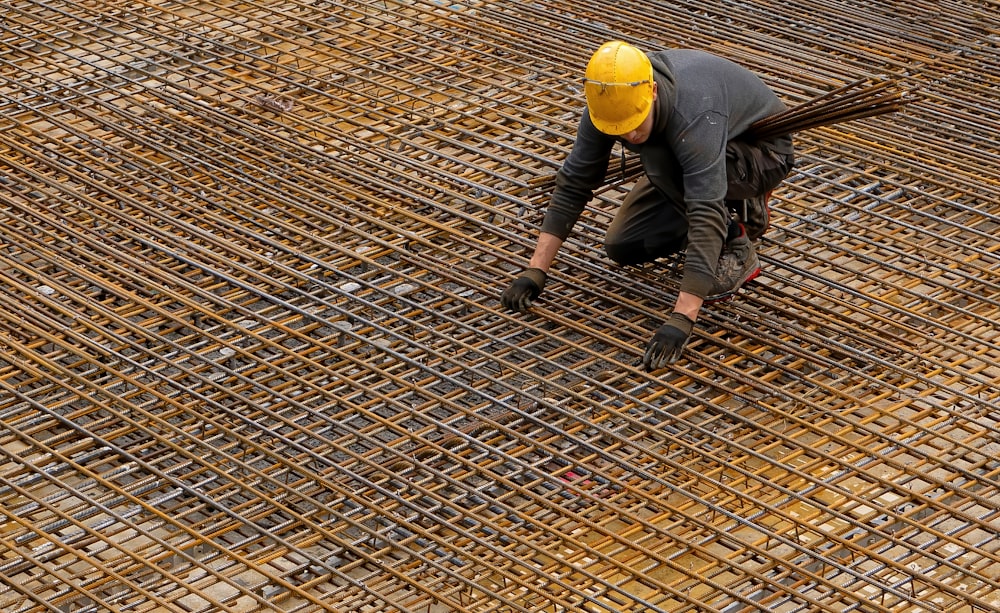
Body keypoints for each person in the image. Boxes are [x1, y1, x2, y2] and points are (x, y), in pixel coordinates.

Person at [501, 40, 795, 371]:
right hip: (686, 157)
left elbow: (704, 210)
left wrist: (682, 318)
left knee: (659, 157)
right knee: (623, 246)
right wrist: (535, 270)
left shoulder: (693, 113)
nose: (628, 136)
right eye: (620, 131)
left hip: (759, 153)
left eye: (634, 124)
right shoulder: (608, 101)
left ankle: (737, 235)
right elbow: (574, 181)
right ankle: (716, 212)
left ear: (652, 91)